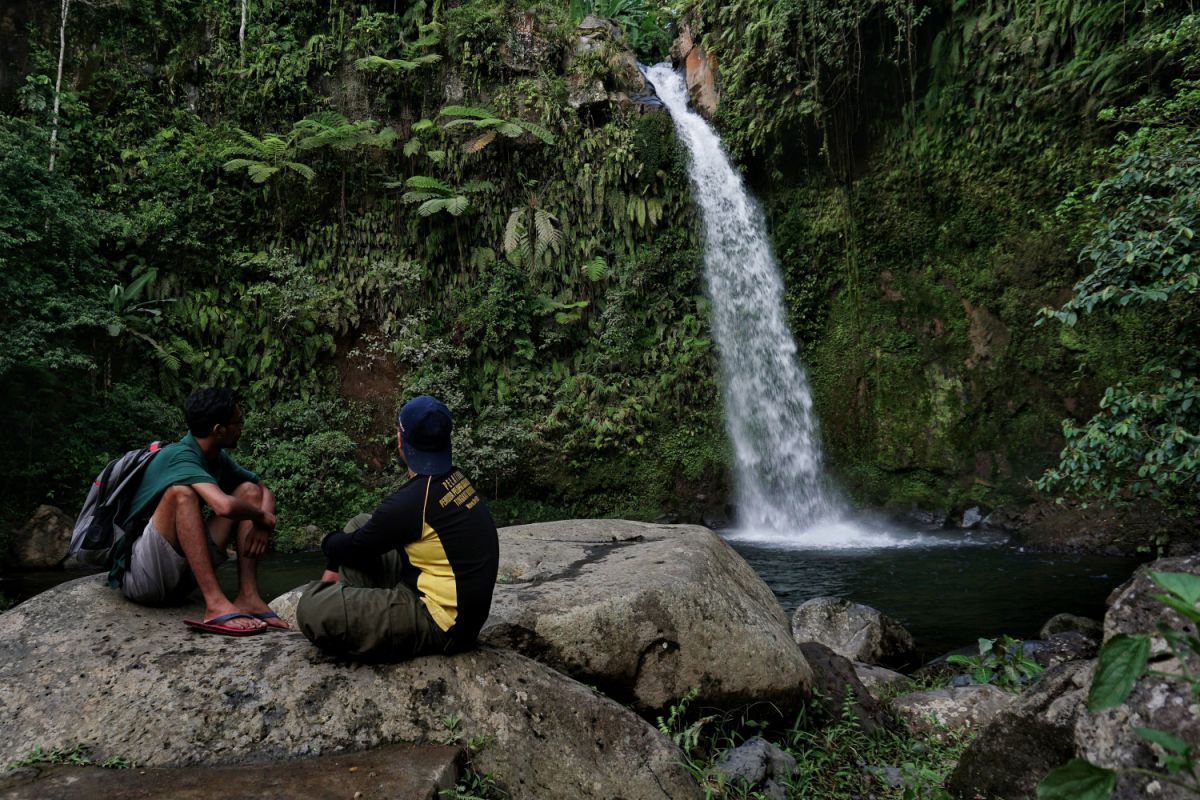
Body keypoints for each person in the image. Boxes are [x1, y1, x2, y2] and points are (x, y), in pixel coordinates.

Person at [296, 395, 499, 660]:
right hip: (460, 610)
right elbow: (362, 541)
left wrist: (326, 541)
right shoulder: (453, 478)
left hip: (441, 624)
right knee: (359, 522)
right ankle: (361, 614)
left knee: (311, 606)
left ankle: (355, 622)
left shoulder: (412, 501)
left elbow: (349, 546)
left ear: (401, 441)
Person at [116, 387, 285, 635]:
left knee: (248, 491)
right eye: (238, 422)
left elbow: (261, 490)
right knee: (181, 494)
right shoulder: (179, 456)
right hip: (143, 579)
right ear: (218, 430)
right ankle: (215, 604)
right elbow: (223, 506)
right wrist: (262, 517)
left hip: (180, 579)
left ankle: (248, 595)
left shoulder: (215, 456)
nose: (241, 428)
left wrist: (262, 524)